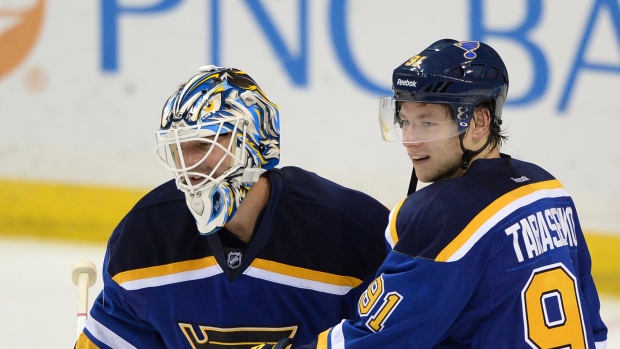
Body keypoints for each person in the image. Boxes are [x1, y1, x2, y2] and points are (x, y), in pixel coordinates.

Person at [261, 39, 609, 348]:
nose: (411, 138)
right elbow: (592, 326)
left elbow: (380, 340)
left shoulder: (443, 213)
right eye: (405, 120)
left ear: (479, 123)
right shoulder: (549, 189)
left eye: (427, 122)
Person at [75, 66, 390, 348]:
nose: (188, 166)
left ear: (254, 141)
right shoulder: (144, 238)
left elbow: (393, 335)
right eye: (178, 148)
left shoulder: (351, 231)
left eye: (203, 144)